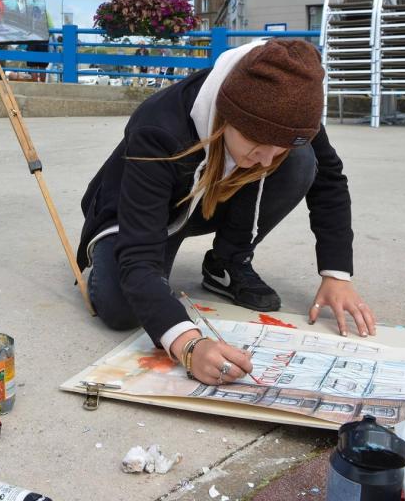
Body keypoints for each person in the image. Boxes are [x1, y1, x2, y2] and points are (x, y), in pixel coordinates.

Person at [76, 39, 377, 387]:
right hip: (140, 214)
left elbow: (329, 180)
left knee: (301, 161)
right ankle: (106, 255)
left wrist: (337, 274)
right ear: (226, 115)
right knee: (121, 309)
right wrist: (189, 344)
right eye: (257, 143)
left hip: (208, 198)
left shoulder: (289, 106)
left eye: (277, 147)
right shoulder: (158, 125)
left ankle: (227, 263)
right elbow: (140, 256)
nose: (267, 159)